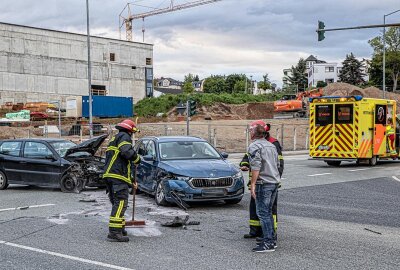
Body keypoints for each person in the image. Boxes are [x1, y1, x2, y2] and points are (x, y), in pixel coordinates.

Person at [241, 122, 284, 241]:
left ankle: (269, 238)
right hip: (272, 181)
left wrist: (253, 183)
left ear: (254, 133)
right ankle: (263, 234)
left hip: (263, 183)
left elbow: (256, 166)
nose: (249, 133)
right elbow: (276, 163)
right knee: (263, 210)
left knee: (264, 212)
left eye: (250, 131)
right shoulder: (270, 145)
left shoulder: (260, 145)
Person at [103, 119, 141, 242]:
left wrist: (132, 180)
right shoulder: (124, 136)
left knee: (118, 204)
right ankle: (114, 233)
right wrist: (137, 158)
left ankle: (120, 228)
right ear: (130, 131)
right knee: (120, 203)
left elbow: (122, 164)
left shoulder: (114, 139)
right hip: (117, 177)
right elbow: (127, 152)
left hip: (111, 176)